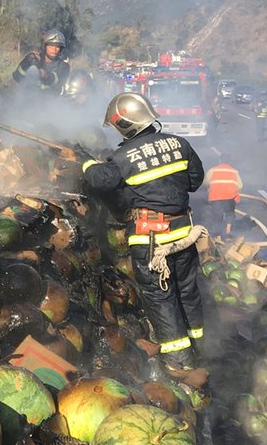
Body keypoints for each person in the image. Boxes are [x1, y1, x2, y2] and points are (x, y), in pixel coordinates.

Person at [81, 92, 206, 368]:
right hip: (184, 235)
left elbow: (99, 180)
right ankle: (201, 348)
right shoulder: (180, 144)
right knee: (187, 291)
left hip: (151, 241)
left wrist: (85, 161)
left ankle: (180, 361)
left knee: (162, 299)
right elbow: (195, 181)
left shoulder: (123, 157)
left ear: (124, 125)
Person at [203, 160, 243, 235]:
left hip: (216, 196)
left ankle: (217, 232)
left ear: (220, 161)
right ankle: (228, 230)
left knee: (217, 213)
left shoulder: (213, 170)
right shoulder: (234, 171)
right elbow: (240, 186)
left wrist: (210, 188)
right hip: (230, 196)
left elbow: (206, 182)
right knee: (230, 212)